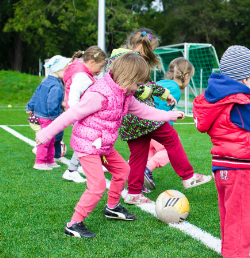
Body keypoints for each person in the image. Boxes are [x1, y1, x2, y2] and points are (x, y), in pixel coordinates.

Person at [35, 53, 185, 238]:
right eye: (138, 84)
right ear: (128, 78)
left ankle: (112, 207)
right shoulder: (99, 95)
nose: (140, 88)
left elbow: (143, 111)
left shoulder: (125, 94)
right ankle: (74, 224)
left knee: (123, 170)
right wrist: (46, 133)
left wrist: (169, 115)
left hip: (103, 145)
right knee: (97, 186)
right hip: (87, 146)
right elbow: (71, 115)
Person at [106, 28, 212, 205]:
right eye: (151, 49)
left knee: (138, 154)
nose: (151, 54)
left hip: (128, 120)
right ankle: (188, 176)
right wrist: (151, 94)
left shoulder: (118, 57)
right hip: (141, 115)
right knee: (171, 138)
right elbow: (134, 87)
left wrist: (164, 94)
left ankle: (133, 193)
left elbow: (146, 83)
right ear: (142, 46)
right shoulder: (129, 59)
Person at [193, 45, 250, 258]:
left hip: (224, 165)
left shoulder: (221, 99)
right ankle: (235, 256)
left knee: (230, 211)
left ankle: (234, 248)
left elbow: (233, 130)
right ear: (245, 79)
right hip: (236, 168)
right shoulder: (238, 101)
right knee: (241, 211)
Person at [143, 57, 194, 192]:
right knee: (168, 150)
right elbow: (161, 109)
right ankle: (147, 169)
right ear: (186, 76)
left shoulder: (161, 82)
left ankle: (139, 178)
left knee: (149, 151)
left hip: (142, 123)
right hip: (155, 125)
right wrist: (168, 124)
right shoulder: (175, 90)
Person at [61, 46, 107, 183]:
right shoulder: (82, 76)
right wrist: (79, 114)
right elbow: (73, 98)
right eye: (100, 67)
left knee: (92, 140)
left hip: (82, 114)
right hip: (81, 115)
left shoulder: (82, 72)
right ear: (92, 62)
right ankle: (71, 170)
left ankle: (87, 166)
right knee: (86, 142)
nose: (100, 72)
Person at [26, 55, 70, 170]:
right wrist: (55, 117)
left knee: (51, 139)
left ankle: (49, 160)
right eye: (66, 70)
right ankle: (40, 162)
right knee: (46, 139)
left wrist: (30, 106)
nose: (67, 73)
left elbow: (36, 93)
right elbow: (52, 103)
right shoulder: (56, 85)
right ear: (59, 70)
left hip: (43, 114)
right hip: (49, 116)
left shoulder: (46, 81)